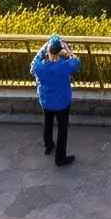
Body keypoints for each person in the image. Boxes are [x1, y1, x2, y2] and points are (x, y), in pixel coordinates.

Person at [30, 34, 81, 166]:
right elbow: (77, 61)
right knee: (62, 130)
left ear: (48, 51)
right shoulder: (64, 65)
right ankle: (60, 158)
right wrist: (69, 51)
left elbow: (34, 61)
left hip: (46, 100)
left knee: (47, 123)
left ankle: (48, 146)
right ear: (60, 51)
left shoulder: (39, 66)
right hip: (62, 102)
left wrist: (44, 48)